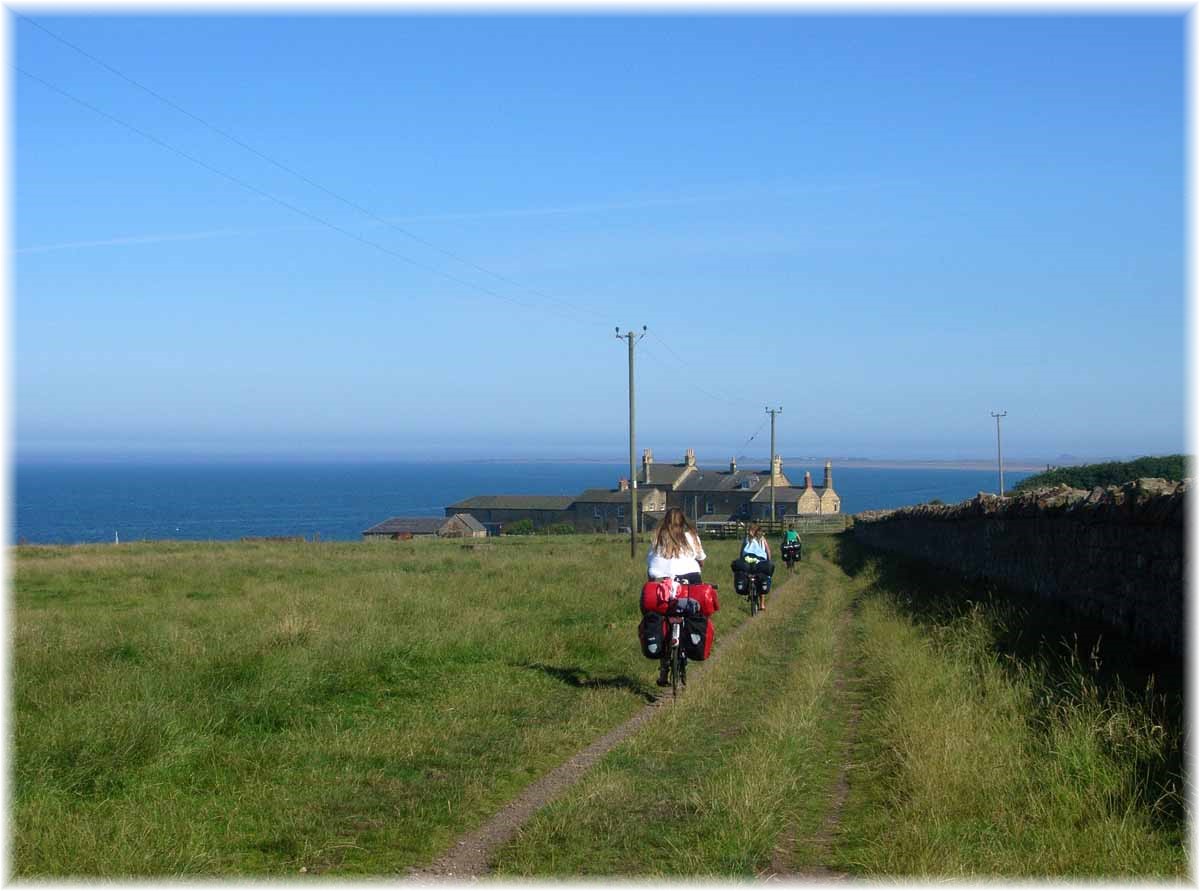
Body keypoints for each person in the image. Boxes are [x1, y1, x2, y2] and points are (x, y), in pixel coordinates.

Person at [646, 508, 706, 685]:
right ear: (683, 521)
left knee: (659, 617)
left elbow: (650, 562)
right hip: (690, 580)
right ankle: (689, 644)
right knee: (694, 612)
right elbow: (701, 559)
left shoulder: (658, 536)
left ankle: (664, 668)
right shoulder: (692, 536)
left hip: (660, 581)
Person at [731, 522, 775, 608]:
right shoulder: (762, 539)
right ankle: (762, 604)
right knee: (762, 577)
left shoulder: (747, 538)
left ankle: (748, 590)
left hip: (747, 562)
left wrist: (741, 560)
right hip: (760, 563)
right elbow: (768, 551)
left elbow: (742, 551)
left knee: (746, 575)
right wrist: (768, 561)